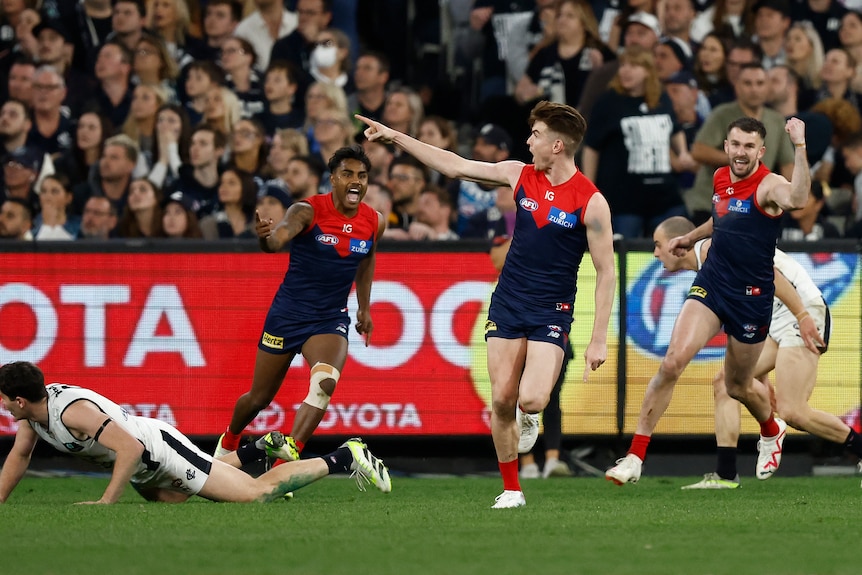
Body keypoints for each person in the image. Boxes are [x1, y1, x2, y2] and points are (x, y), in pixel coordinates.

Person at [358, 100, 615, 509]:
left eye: (536, 134)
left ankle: (530, 417)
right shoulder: (518, 174)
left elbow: (606, 272)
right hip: (508, 304)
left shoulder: (591, 201)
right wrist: (395, 136)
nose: (528, 140)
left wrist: (598, 339)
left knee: (531, 399)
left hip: (552, 311)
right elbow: (455, 166)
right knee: (500, 400)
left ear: (557, 147)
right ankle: (512, 488)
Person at [605, 116, 811, 486]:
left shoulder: (769, 185)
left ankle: (770, 428)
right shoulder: (719, 178)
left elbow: (797, 199)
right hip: (713, 285)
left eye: (749, 146)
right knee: (672, 362)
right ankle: (635, 456)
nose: (741, 152)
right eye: (735, 144)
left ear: (760, 151)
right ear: (727, 145)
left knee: (736, 386)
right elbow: (721, 219)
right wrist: (692, 238)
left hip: (751, 299)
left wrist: (799, 146)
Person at [649, 217, 862, 489]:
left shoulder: (718, 250)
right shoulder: (708, 266)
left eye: (658, 245)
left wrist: (802, 315)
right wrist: (758, 379)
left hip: (801, 309)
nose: (655, 252)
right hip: (773, 318)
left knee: (792, 410)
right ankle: (726, 475)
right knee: (727, 383)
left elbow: (772, 274)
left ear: (678, 241)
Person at [0, 361, 390, 504]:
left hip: (157, 450)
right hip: (147, 466)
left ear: (19, 400)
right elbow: (19, 457)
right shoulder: (31, 416)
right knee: (173, 501)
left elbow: (131, 448)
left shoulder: (72, 413)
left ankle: (345, 454)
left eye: (3, 398)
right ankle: (259, 449)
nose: (1, 404)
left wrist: (105, 503)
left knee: (255, 495)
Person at [214, 146, 385, 463]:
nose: (356, 182)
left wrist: (364, 308)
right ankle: (229, 440)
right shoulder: (307, 211)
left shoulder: (374, 221)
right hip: (287, 316)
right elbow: (278, 239)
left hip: (329, 319)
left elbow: (366, 260)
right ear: (332, 179)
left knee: (325, 383)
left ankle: (284, 463)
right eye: (347, 174)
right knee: (258, 399)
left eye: (362, 176)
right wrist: (266, 238)